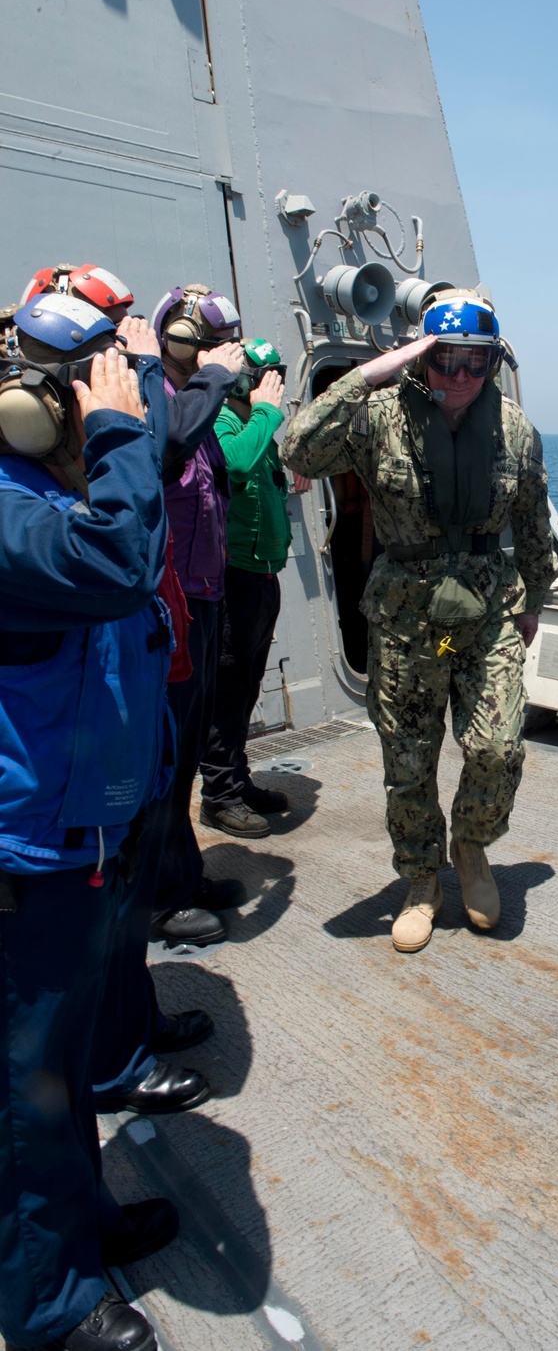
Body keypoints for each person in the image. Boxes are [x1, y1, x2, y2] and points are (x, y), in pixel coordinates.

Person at [282, 292, 557, 952]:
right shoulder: (379, 416)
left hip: (488, 608)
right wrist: (372, 372)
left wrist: (534, 602)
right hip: (407, 616)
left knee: (496, 748)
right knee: (408, 762)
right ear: (422, 359)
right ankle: (421, 881)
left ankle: (471, 846)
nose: (460, 376)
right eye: (445, 361)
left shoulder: (514, 428)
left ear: (492, 364)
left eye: (476, 362)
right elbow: (297, 449)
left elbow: (534, 523)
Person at [0, 298, 171, 1351]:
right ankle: (49, 1305)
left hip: (78, 833)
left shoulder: (47, 487)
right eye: (94, 392)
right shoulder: (10, 509)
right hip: (22, 845)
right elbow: (115, 567)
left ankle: (83, 1231)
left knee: (59, 1067)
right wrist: (119, 438)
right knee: (25, 1087)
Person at [149, 284, 247, 950]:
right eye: (211, 346)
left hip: (206, 601)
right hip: (170, 614)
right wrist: (214, 377)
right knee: (163, 762)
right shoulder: (155, 399)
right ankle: (159, 898)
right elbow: (169, 447)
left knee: (184, 757)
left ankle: (182, 873)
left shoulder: (197, 402)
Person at [200, 339, 293, 836]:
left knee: (247, 685)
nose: (271, 383)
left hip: (262, 574)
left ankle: (237, 778)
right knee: (229, 688)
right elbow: (233, 465)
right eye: (263, 374)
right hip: (233, 576)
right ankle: (218, 794)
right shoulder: (221, 420)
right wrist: (265, 415)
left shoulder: (257, 423)